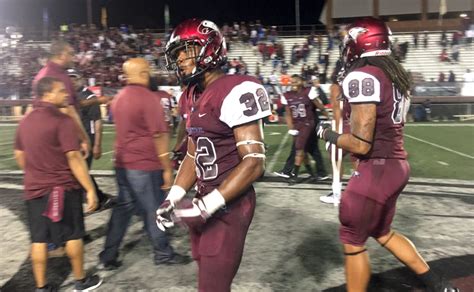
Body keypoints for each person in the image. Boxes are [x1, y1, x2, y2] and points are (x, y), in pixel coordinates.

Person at [316, 17, 459, 292]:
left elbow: (360, 144)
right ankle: (439, 285)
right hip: (396, 166)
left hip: (375, 170)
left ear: (359, 42)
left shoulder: (363, 75)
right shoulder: (394, 74)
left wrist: (328, 134)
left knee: (352, 239)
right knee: (382, 232)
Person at [157, 18, 270, 291]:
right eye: (176, 54)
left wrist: (207, 205)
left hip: (230, 203)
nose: (180, 59)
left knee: (212, 286)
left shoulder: (235, 89)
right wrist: (173, 197)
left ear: (210, 48)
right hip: (203, 199)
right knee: (207, 276)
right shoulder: (190, 94)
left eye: (187, 50)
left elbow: (254, 163)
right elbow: (193, 155)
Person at [98, 58, 190, 269]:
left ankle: (108, 256)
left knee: (122, 211)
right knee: (154, 210)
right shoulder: (147, 99)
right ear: (143, 74)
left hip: (122, 163)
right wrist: (167, 169)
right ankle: (163, 254)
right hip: (143, 165)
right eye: (147, 72)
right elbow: (159, 135)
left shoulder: (119, 97)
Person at [14, 77, 102, 292]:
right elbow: (73, 157)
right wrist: (90, 189)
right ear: (47, 94)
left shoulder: (25, 120)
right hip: (61, 189)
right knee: (73, 235)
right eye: (61, 90)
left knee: (39, 240)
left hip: (34, 189)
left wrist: (37, 172)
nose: (66, 94)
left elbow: (19, 154)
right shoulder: (62, 120)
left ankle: (41, 287)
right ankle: (80, 282)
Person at [32, 40, 90, 159]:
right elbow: (69, 110)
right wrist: (84, 138)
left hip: (48, 136)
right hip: (59, 137)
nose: (73, 58)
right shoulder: (56, 76)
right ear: (61, 55)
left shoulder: (45, 72)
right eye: (71, 54)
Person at [68, 69, 115, 209]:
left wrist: (97, 145)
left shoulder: (88, 96)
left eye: (74, 78)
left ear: (80, 79)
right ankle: (99, 197)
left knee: (79, 172)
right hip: (73, 140)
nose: (71, 81)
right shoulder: (70, 96)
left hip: (86, 140)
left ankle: (97, 198)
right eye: (69, 78)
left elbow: (97, 121)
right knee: (79, 171)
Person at [278, 74, 329, 184]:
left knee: (299, 148)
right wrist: (290, 127)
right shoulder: (287, 95)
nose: (293, 84)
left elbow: (319, 105)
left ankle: (294, 174)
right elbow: (288, 113)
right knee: (306, 149)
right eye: (292, 82)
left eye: (296, 81)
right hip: (297, 124)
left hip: (308, 122)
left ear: (302, 82)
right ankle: (314, 174)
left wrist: (327, 117)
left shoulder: (309, 91)